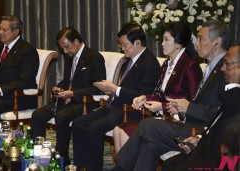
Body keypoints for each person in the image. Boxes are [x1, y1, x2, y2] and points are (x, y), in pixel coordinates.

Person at [112, 20, 230, 171]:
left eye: (201, 38)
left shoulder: (225, 71)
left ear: (217, 43)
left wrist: (188, 108)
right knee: (149, 145)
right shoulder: (210, 67)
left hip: (201, 130)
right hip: (186, 123)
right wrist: (176, 106)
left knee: (147, 125)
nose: (196, 43)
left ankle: (119, 169)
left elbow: (223, 113)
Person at [72, 23, 161, 170]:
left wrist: (115, 89)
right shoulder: (130, 60)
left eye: (124, 44)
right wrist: (111, 90)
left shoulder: (149, 63)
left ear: (137, 43)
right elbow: (124, 88)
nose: (122, 48)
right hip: (113, 105)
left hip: (129, 110)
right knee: (78, 123)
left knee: (94, 128)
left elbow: (142, 95)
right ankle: (81, 167)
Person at [113, 22, 203, 153]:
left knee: (123, 132)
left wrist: (161, 106)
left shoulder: (190, 66)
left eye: (166, 40)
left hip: (178, 122)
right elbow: (159, 95)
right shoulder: (167, 63)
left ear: (178, 43)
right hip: (161, 117)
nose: (162, 43)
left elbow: (190, 103)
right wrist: (145, 98)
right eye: (162, 39)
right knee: (118, 130)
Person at [30, 27, 106, 166]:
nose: (65, 51)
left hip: (85, 102)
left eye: (67, 47)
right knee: (37, 115)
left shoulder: (94, 57)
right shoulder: (70, 56)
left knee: (62, 116)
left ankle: (62, 158)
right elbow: (67, 81)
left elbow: (98, 87)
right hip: (67, 99)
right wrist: (59, 88)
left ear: (76, 41)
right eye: (62, 48)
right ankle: (40, 157)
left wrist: (73, 93)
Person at [161, 45, 240, 171]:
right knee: (168, 165)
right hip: (204, 148)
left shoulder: (233, 96)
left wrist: (235, 84)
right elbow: (216, 124)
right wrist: (197, 139)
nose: (222, 68)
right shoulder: (231, 95)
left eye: (227, 63)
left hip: (219, 162)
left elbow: (232, 119)